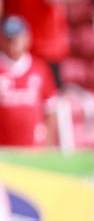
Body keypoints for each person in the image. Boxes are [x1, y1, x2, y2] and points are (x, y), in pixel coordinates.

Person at [0, 16, 57, 148]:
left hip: (32, 149)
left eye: (16, 37)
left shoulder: (40, 69)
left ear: (27, 38)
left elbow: (50, 109)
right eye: (8, 38)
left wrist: (48, 144)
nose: (13, 42)